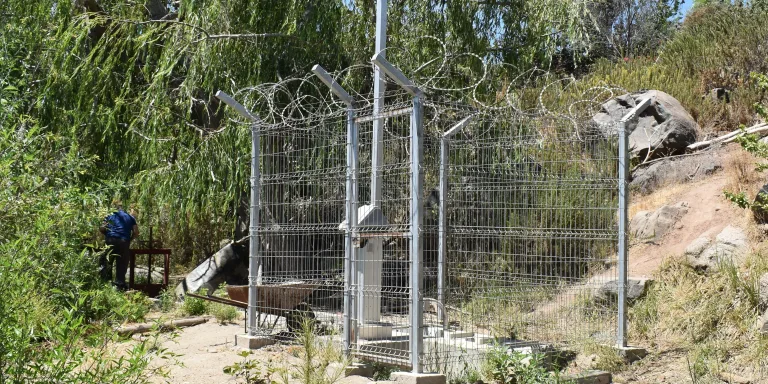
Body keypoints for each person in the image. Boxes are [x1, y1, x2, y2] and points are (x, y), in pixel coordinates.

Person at [99, 201, 139, 290]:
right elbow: (136, 232)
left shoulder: (109, 216)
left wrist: (107, 234)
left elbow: (102, 228)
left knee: (106, 261)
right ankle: (119, 285)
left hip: (110, 240)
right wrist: (129, 239)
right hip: (124, 241)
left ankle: (105, 283)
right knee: (122, 263)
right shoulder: (130, 217)